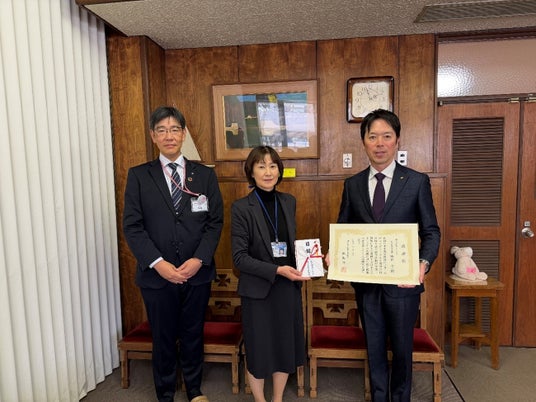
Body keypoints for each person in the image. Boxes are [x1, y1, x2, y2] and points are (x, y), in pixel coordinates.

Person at [329, 109, 440, 402]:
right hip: (367, 285)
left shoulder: (416, 181)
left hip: (403, 285)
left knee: (402, 350)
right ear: (364, 142)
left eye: (386, 136)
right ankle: (379, 397)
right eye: (373, 137)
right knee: (374, 348)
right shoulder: (352, 185)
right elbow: (344, 228)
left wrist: (423, 264)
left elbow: (431, 231)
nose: (380, 143)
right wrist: (335, 254)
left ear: (397, 140)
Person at [123, 106, 224, 402]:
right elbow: (133, 226)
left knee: (193, 333)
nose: (169, 136)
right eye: (162, 130)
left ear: (183, 133)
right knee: (163, 336)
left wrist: (199, 259)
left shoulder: (204, 175)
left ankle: (194, 390)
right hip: (157, 275)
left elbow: (215, 222)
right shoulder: (139, 176)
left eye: (174, 129)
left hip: (197, 272)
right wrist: (158, 264)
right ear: (153, 135)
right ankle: (165, 394)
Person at [231, 146, 309, 402]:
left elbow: (291, 244)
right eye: (261, 166)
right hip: (258, 291)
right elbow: (239, 258)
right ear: (251, 172)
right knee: (259, 350)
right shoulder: (241, 207)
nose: (268, 172)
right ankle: (260, 400)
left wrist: (308, 263)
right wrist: (276, 270)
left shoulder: (288, 201)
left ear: (279, 170)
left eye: (273, 166)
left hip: (287, 289)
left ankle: (277, 399)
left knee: (284, 348)